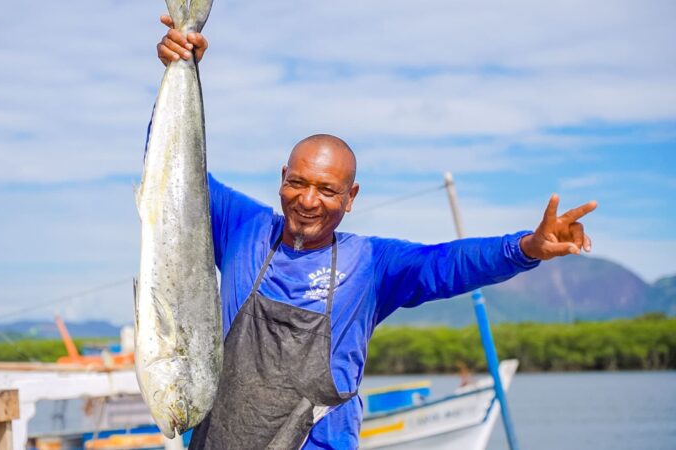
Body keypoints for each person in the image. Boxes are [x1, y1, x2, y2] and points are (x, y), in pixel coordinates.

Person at [152, 16, 597, 450]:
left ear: (351, 196)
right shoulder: (243, 227)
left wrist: (527, 248)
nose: (308, 200)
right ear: (282, 177)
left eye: (327, 190)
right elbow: (170, 172)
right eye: (298, 183)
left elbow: (449, 264)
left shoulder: (370, 265)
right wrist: (179, 69)